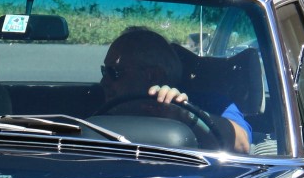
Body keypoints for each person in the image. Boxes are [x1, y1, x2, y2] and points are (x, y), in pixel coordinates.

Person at [99, 27, 250, 153]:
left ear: (153, 76)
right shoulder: (95, 102)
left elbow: (242, 145)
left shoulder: (209, 103)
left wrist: (184, 115)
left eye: (114, 72)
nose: (103, 82)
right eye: (104, 71)